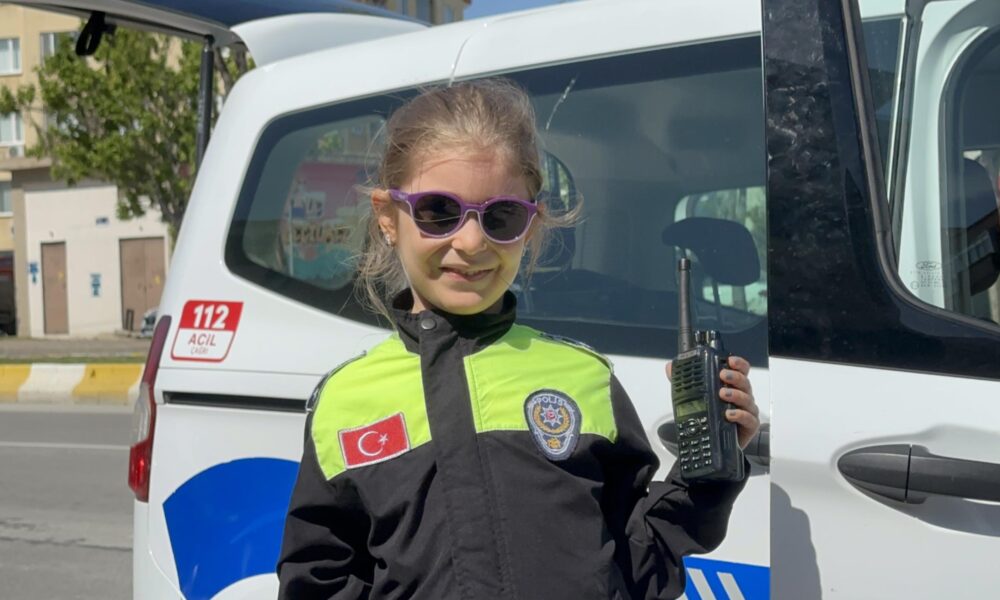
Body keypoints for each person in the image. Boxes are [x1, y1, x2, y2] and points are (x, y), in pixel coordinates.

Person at [276, 79, 760, 600]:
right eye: (438, 211)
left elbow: (640, 561)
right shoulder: (344, 401)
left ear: (531, 225)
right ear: (387, 217)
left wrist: (709, 473)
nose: (471, 241)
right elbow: (317, 580)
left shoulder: (585, 378)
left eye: (501, 216)